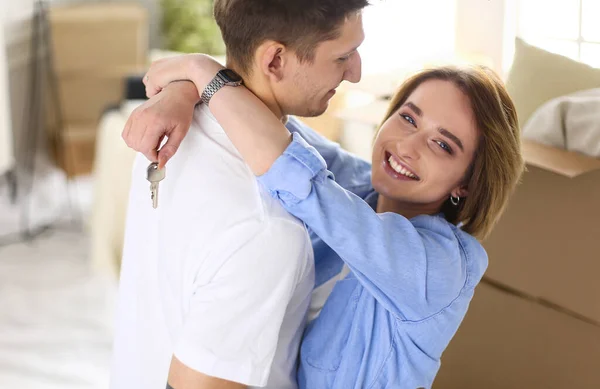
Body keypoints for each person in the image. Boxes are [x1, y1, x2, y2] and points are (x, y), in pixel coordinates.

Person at [123, 54, 525, 389]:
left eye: (442, 144)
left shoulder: (441, 268)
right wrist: (185, 87)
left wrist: (198, 72)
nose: (407, 145)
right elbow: (259, 114)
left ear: (467, 186)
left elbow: (301, 181)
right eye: (407, 118)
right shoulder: (358, 186)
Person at [109, 1, 368, 388]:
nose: (356, 72)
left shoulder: (167, 132)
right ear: (275, 60)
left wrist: (192, 76)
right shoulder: (267, 229)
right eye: (342, 56)